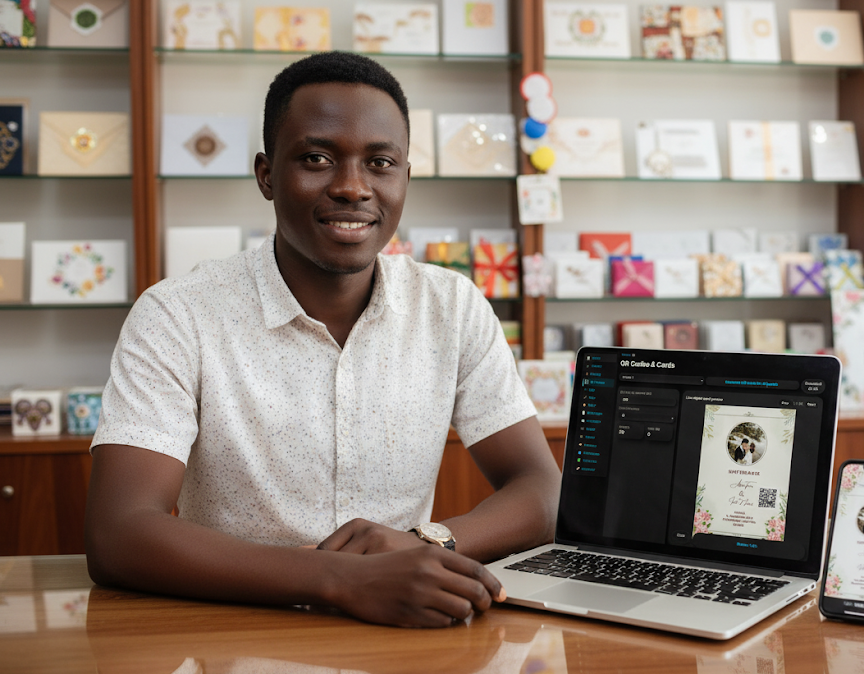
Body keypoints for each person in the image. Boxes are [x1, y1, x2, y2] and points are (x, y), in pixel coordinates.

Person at [84, 52, 562, 629]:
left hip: (405, 634)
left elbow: (543, 492)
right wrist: (341, 579)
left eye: (380, 163)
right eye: (316, 159)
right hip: (234, 632)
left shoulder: (451, 306)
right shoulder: (178, 314)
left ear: (405, 178)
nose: (352, 187)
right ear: (266, 175)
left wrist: (427, 543)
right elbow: (119, 532)